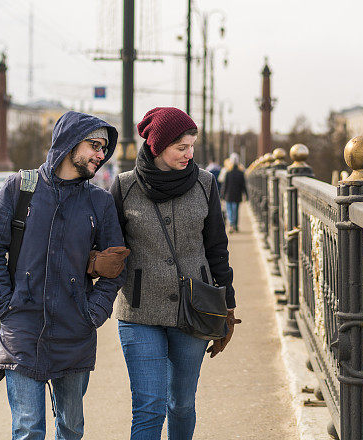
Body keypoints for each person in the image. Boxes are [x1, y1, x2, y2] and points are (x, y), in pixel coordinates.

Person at [0, 111, 128, 440]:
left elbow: (116, 265)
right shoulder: (20, 188)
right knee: (28, 428)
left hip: (75, 333)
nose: (101, 155)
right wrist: (4, 304)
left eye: (105, 148)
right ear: (69, 143)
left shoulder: (99, 202)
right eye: (94, 145)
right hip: (22, 330)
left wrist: (94, 311)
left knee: (71, 427)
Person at [110, 107, 241, 440]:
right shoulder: (124, 187)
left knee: (181, 403)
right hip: (139, 312)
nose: (189, 154)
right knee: (149, 405)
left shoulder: (205, 184)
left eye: (192, 146)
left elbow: (217, 248)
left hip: (193, 310)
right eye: (181, 147)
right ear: (157, 146)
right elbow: (110, 248)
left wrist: (228, 304)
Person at [221, 153, 247, 233]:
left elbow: (225, 185)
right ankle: (235, 225)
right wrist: (246, 195)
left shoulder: (228, 173)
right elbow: (243, 186)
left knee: (230, 211)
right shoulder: (241, 173)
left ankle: (232, 225)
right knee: (235, 211)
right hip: (237, 195)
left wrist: (222, 195)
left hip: (228, 195)